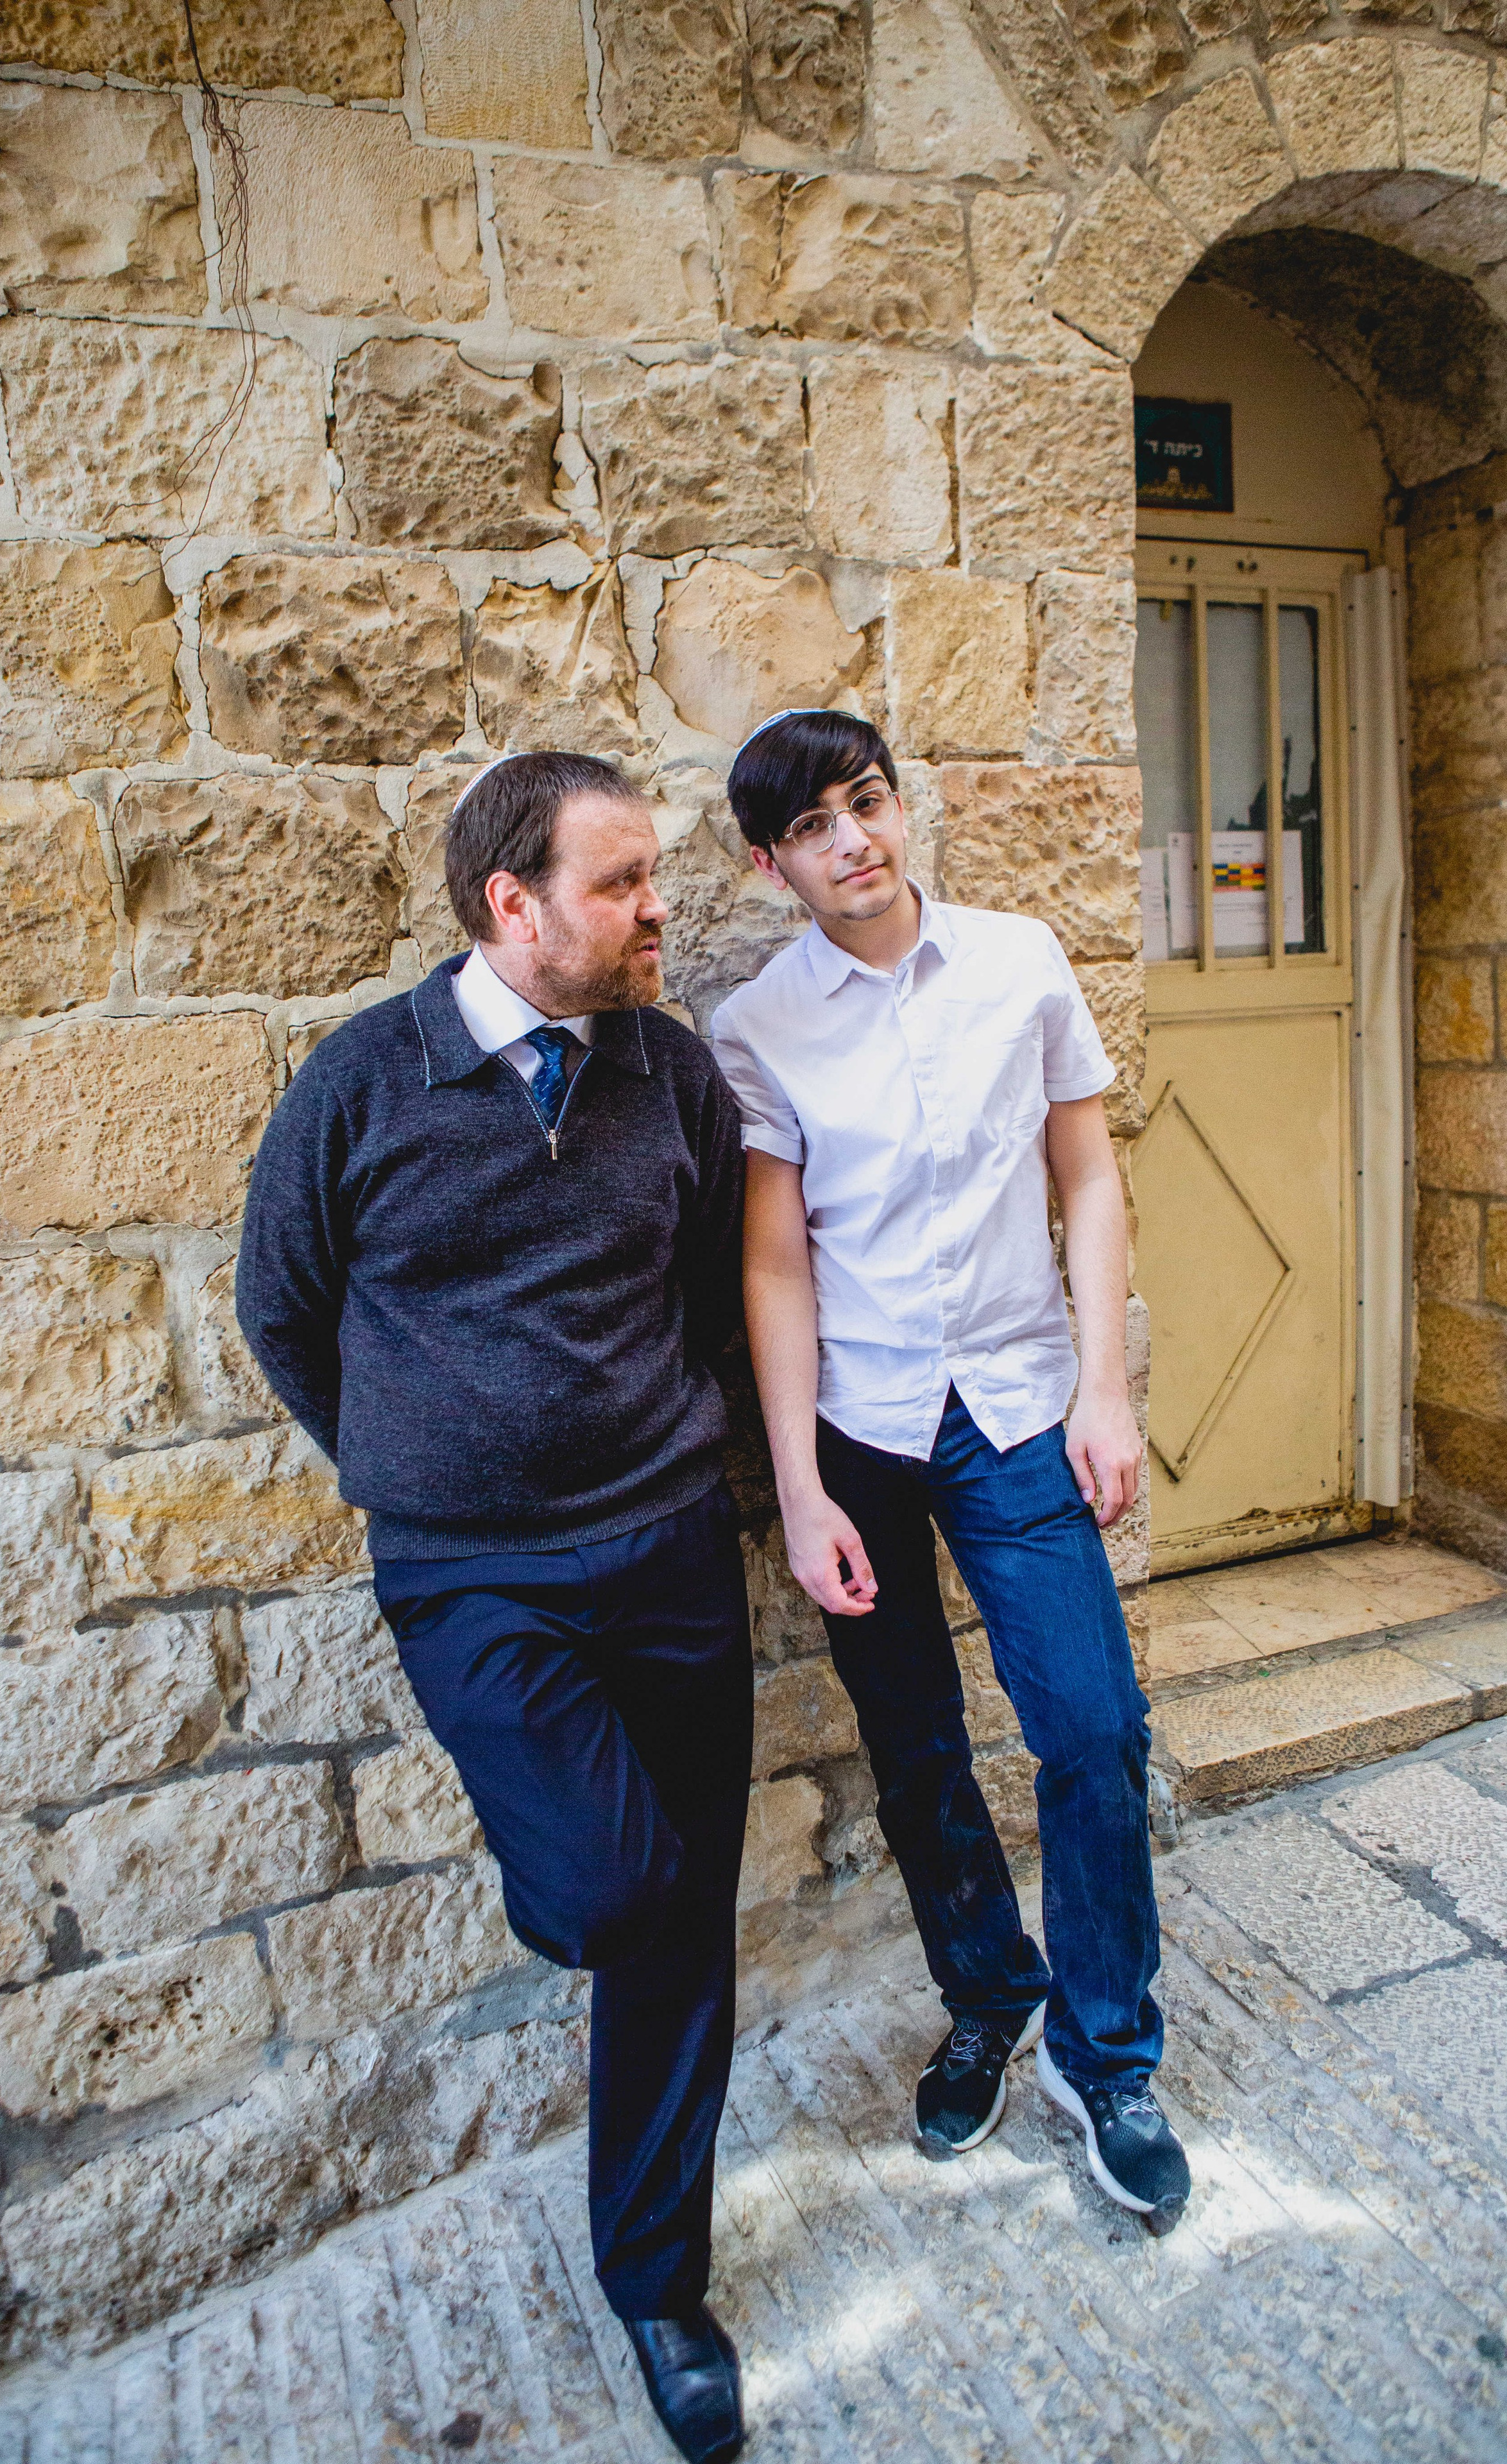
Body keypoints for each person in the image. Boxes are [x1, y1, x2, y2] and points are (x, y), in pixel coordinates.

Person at [238, 751, 751, 2463]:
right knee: (621, 1888)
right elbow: (283, 1309)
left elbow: (702, 1297)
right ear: (510, 906)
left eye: (651, 874)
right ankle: (583, 1900)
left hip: (670, 1545)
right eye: (622, 883)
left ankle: (658, 2288)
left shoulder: (671, 1075)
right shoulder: (363, 1085)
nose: (659, 907)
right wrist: (416, 1457)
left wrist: (678, 1452)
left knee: (688, 1924)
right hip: (469, 1574)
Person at [710, 709, 1191, 2236]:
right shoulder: (756, 1029)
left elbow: (1088, 1169)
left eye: (865, 804)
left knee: (1092, 1727)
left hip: (1012, 1407)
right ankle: (987, 1997)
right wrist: (795, 1483)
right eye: (811, 828)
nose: (851, 841)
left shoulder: (1018, 959)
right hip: (858, 1425)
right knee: (913, 1744)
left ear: (897, 808)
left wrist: (1101, 1386)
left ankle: (1107, 2055)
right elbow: (774, 1266)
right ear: (768, 861)